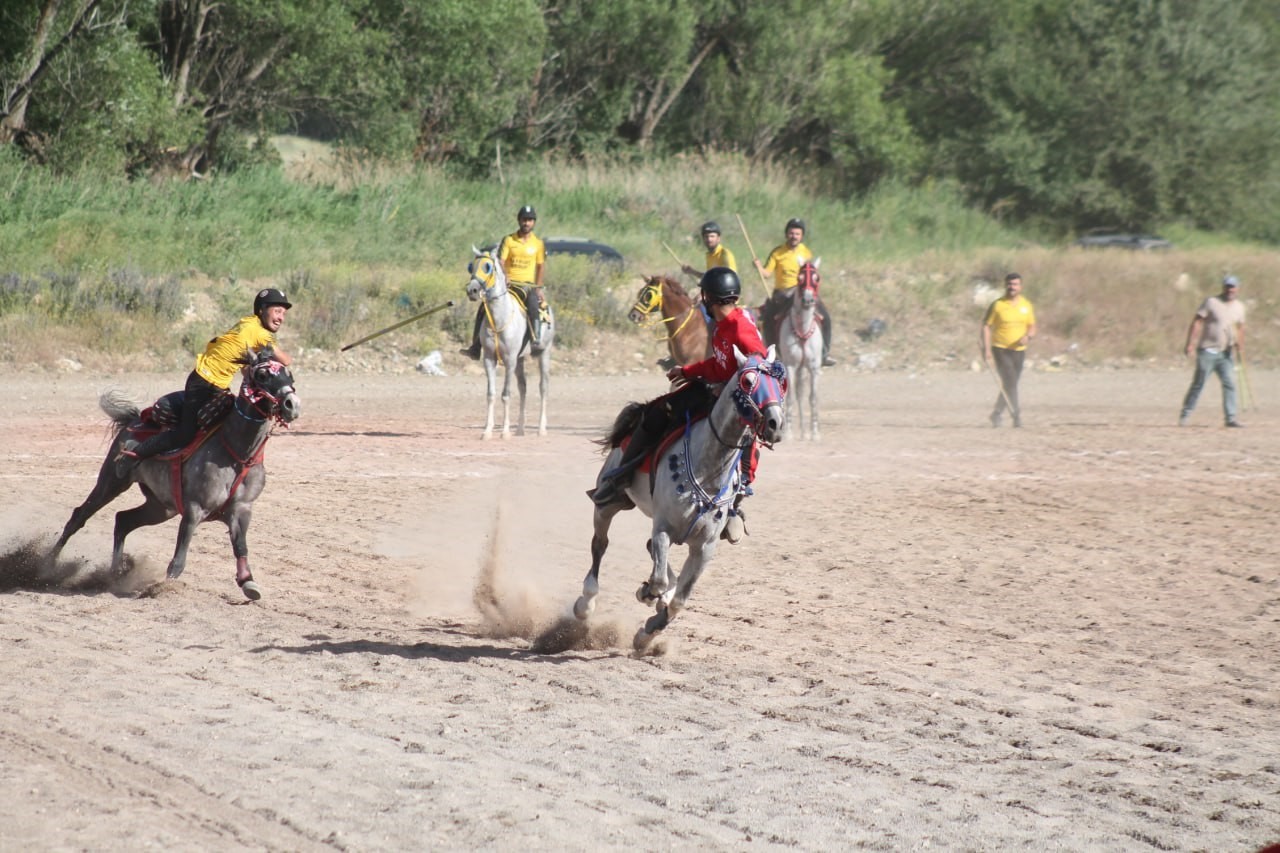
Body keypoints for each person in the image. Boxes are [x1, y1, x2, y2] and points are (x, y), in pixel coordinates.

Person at [591, 267, 764, 542]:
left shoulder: (741, 329)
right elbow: (717, 364)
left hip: (729, 404)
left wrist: (728, 388)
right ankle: (623, 478)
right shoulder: (723, 324)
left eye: (703, 294)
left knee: (653, 414)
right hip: (715, 392)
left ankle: (620, 478)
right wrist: (688, 371)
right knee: (659, 411)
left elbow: (759, 366)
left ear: (709, 297)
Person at [116, 288, 294, 471]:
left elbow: (242, 362)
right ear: (262, 310)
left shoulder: (248, 324)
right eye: (277, 311)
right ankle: (135, 454)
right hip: (203, 382)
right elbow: (286, 361)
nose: (281, 317)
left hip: (217, 385)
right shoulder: (260, 334)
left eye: (284, 313)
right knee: (185, 434)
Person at [461, 204, 547, 359]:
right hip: (509, 284)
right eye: (523, 220)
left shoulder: (538, 244)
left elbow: (541, 266)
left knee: (533, 302)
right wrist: (506, 275)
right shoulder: (509, 240)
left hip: (527, 284)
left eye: (529, 220)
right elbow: (501, 261)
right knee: (484, 307)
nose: (526, 223)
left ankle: (536, 339)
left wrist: (538, 287)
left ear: (534, 222)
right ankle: (475, 346)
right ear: (518, 221)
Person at [753, 217, 836, 366]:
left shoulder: (806, 253)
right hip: (782, 293)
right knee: (767, 318)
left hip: (802, 292)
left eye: (797, 234)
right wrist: (758, 266)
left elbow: (812, 275)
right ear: (786, 234)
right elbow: (766, 273)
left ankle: (824, 354)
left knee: (826, 317)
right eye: (791, 233)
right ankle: (774, 352)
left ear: (801, 236)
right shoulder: (777, 252)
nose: (794, 236)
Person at [1179, 274, 1246, 428]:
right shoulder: (1211, 302)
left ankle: (1230, 418)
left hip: (1226, 353)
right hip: (1207, 351)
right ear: (1223, 287)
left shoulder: (1239, 307)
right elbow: (1197, 321)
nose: (1230, 289)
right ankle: (1185, 415)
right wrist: (1190, 344)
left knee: (1230, 383)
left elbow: (1241, 327)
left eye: (1233, 286)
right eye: (1228, 286)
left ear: (1237, 288)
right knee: (1199, 384)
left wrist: (1240, 345)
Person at [981, 272, 1036, 428]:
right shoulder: (998, 305)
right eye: (1010, 284)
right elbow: (986, 326)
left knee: (1010, 383)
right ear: (1005, 285)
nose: (1012, 287)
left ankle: (996, 413)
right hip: (1000, 348)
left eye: (1015, 284)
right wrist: (986, 349)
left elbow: (1032, 326)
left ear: (1021, 286)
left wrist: (1029, 336)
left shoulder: (1026, 305)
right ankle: (1016, 415)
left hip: (1019, 349)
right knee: (1010, 380)